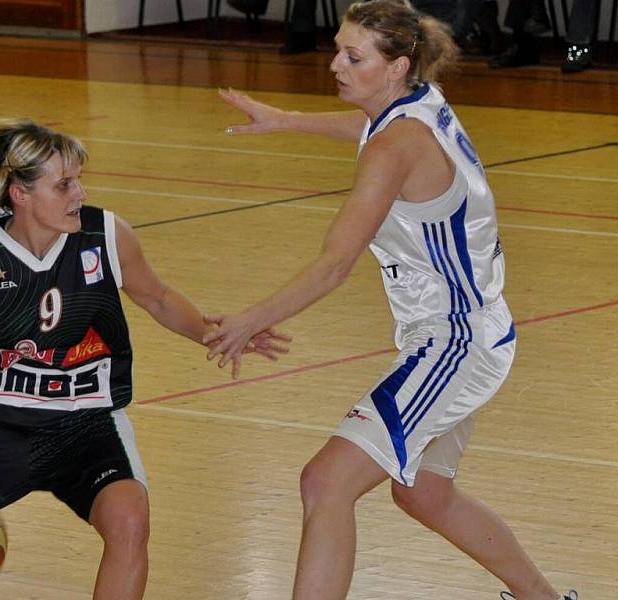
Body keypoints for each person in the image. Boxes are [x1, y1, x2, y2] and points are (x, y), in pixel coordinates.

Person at [206, 1, 578, 598]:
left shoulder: (395, 147)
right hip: (475, 330)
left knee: (325, 483)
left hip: (455, 342)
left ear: (398, 65)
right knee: (423, 493)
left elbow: (334, 265)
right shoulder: (419, 104)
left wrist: (252, 318)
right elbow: (371, 125)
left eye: (354, 57)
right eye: (337, 48)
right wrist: (286, 119)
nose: (335, 64)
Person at [0, 119, 290, 600]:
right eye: (64, 185)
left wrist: (213, 333)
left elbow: (158, 298)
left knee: (129, 521)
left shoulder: (106, 235)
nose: (79, 193)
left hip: (87, 426)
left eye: (78, 180)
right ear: (20, 193)